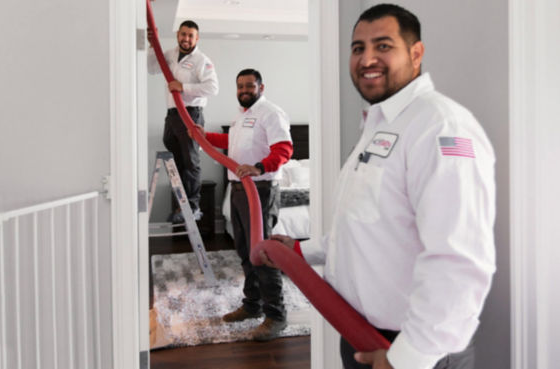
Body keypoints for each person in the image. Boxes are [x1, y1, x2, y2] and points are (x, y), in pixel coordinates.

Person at [261, 4, 496, 369]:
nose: (367, 58)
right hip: (360, 332)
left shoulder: (439, 126)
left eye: (383, 46)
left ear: (416, 53)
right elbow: (364, 225)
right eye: (358, 48)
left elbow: (459, 258)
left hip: (415, 349)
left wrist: (409, 358)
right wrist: (300, 249)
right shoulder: (381, 125)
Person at [191, 69, 294, 341]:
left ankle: (276, 315)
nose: (244, 90)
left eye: (250, 85)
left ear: (261, 87)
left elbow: (284, 149)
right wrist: (206, 137)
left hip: (259, 189)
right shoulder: (242, 116)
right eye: (240, 86)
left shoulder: (271, 113)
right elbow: (231, 143)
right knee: (245, 251)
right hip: (238, 189)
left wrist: (259, 168)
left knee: (262, 253)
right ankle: (253, 305)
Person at [148, 20, 219, 223]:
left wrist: (183, 87)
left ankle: (194, 206)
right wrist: (153, 47)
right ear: (178, 35)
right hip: (172, 114)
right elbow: (152, 68)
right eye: (183, 34)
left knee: (190, 160)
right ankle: (183, 202)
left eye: (190, 36)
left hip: (190, 113)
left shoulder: (201, 60)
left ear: (196, 39)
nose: (186, 38)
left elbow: (213, 88)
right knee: (174, 154)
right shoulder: (170, 54)